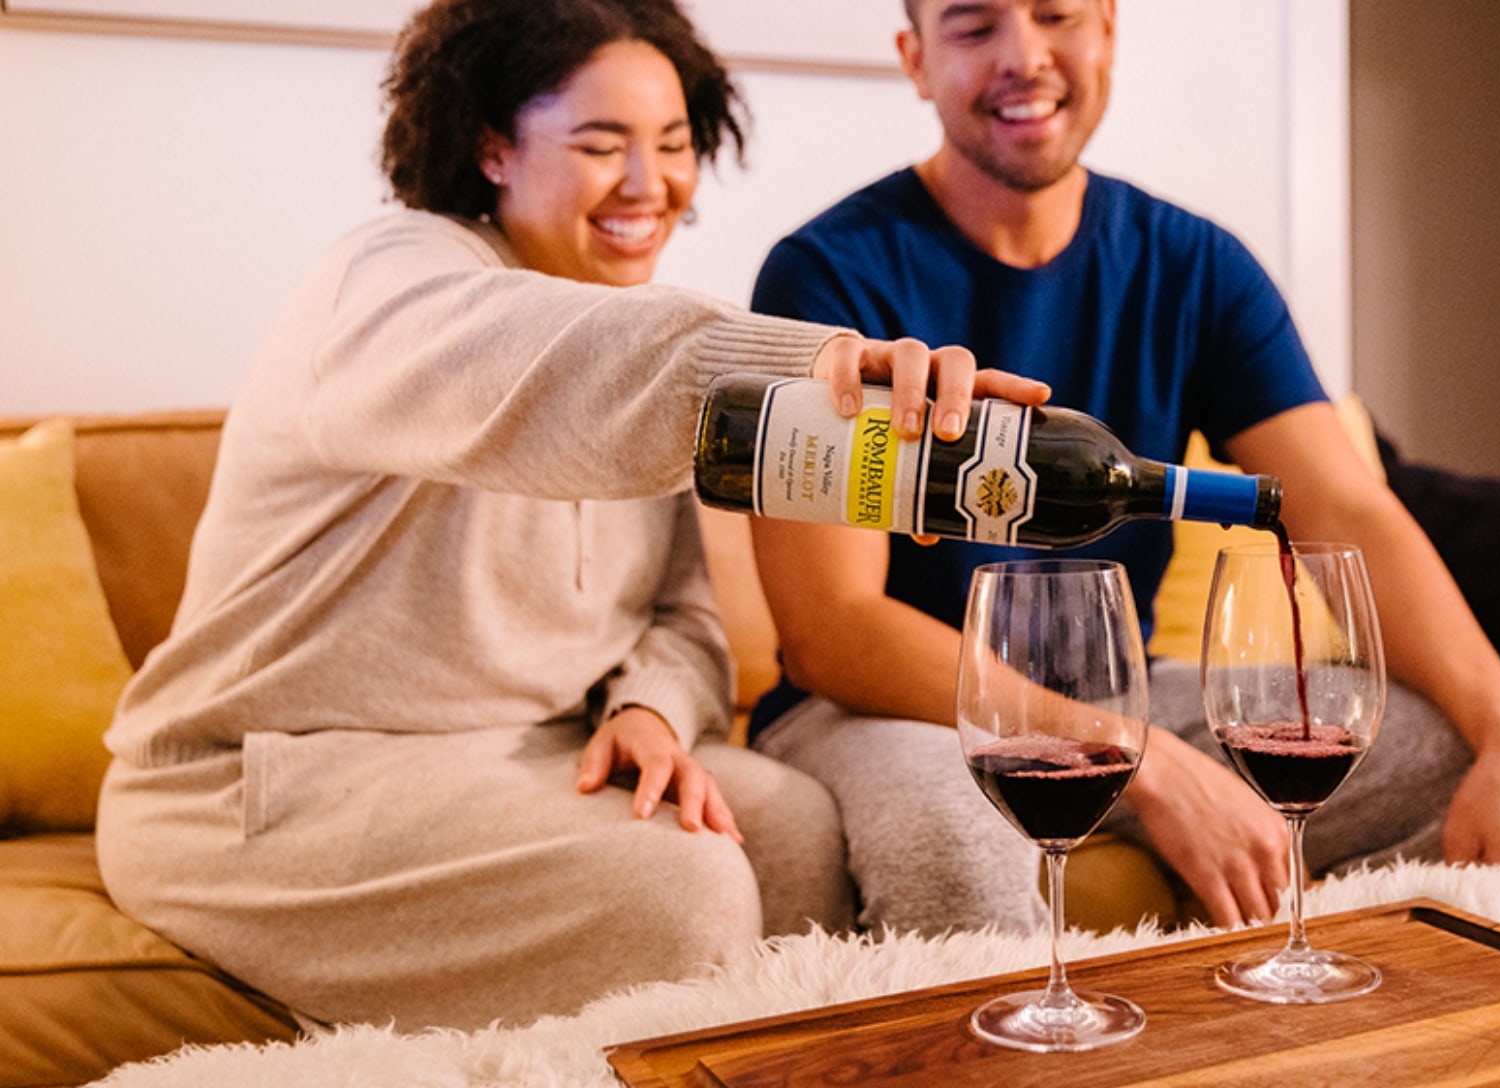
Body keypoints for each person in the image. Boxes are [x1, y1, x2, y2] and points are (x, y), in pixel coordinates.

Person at [93, 0, 1040, 1032]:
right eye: (601, 144)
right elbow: (544, 356)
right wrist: (798, 360)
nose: (650, 184)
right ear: (492, 147)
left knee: (797, 826)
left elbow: (682, 620)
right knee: (682, 888)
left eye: (675, 145)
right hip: (266, 779)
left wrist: (648, 708)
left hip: (526, 754)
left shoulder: (640, 336)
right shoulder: (387, 284)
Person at [744, 0, 1500, 935]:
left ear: (1107, 31)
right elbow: (835, 632)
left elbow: (1342, 507)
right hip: (884, 710)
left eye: (1056, 15)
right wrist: (1147, 762)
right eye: (973, 28)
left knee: (1439, 754)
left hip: (1112, 684)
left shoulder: (1196, 265)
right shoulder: (823, 276)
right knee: (958, 834)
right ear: (916, 60)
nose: (1024, 57)